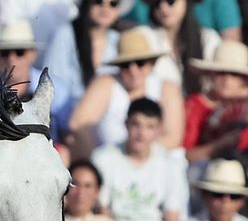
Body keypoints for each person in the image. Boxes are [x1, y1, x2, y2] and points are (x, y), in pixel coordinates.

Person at [93, 98, 188, 221]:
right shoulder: (103, 159)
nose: (141, 133)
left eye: (149, 127)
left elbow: (172, 218)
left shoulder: (170, 165)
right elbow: (102, 211)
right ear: (126, 124)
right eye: (136, 124)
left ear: (159, 130)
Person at [68, 26, 182, 158]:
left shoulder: (167, 89)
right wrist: (98, 161)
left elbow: (173, 137)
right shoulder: (106, 83)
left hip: (155, 165)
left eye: (140, 63)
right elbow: (78, 124)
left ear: (152, 64)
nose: (133, 71)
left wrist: (135, 155)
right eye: (126, 65)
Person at [38, 0, 121, 128]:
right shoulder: (65, 34)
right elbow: (52, 85)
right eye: (98, 1)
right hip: (66, 120)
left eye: (113, 3)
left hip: (108, 121)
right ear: (86, 4)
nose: (105, 8)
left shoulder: (119, 40)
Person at [183, 39, 248, 165]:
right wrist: (220, 145)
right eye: (221, 73)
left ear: (244, 78)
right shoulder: (194, 105)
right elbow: (185, 156)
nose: (227, 80)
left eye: (234, 74)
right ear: (210, 74)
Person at [141, 0, 218, 97]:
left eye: (170, 0)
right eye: (157, 2)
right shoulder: (145, 36)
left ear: (187, 2)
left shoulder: (209, 39)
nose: (163, 7)